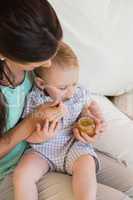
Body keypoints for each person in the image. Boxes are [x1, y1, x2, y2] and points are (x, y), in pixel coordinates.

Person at [0, 1, 133, 200]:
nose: (48, 63)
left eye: (52, 50)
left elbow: (75, 98)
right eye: (39, 59)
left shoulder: (40, 55)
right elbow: (32, 126)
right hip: (18, 166)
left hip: (65, 147)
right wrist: (29, 127)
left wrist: (87, 121)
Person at [13, 42, 105, 200]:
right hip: (42, 150)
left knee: (87, 164)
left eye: (74, 84)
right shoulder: (36, 100)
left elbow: (83, 114)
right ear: (41, 84)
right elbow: (26, 133)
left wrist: (90, 117)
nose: (70, 91)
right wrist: (39, 137)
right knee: (22, 175)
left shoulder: (78, 94)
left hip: (73, 145)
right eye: (63, 87)